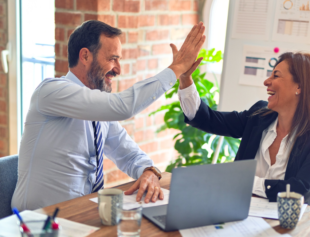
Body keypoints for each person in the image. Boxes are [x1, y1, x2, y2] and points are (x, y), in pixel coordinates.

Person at [12, 20, 205, 211]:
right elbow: (123, 107)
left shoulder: (98, 110)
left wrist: (149, 171)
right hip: (38, 223)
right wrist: (177, 68)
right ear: (85, 56)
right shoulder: (51, 92)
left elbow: (128, 153)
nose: (118, 70)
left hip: (82, 216)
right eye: (113, 58)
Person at [177, 52, 310, 206]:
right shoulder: (258, 116)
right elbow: (208, 119)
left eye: (276, 75)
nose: (266, 81)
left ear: (299, 87)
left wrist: (244, 181)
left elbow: (299, 191)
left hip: (291, 227)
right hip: (241, 216)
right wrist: (185, 80)